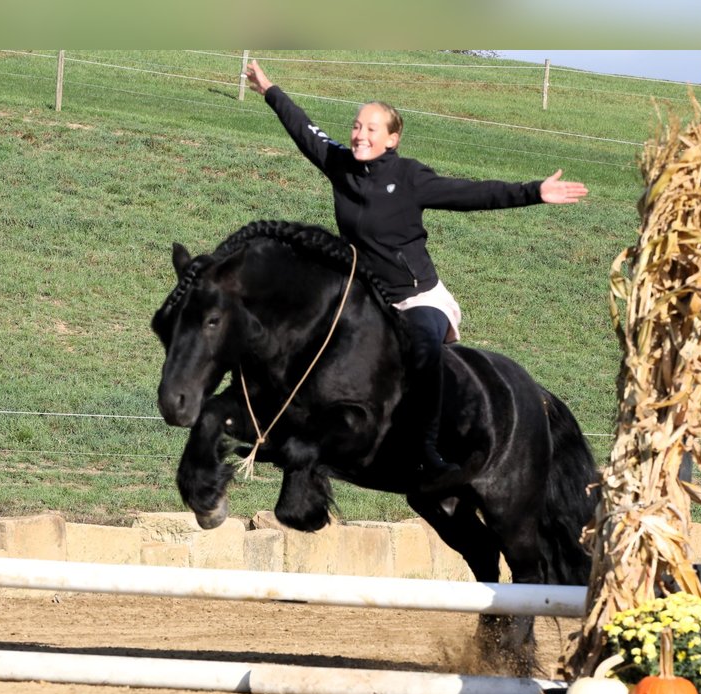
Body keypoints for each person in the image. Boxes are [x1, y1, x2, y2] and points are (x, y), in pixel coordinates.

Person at [243, 59, 588, 493]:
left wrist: (533, 191)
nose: (360, 135)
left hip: (419, 298)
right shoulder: (340, 165)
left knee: (423, 348)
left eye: (371, 129)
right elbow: (303, 128)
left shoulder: (410, 178)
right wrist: (270, 89)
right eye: (356, 127)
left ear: (392, 139)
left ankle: (427, 449)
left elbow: (474, 193)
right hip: (372, 301)